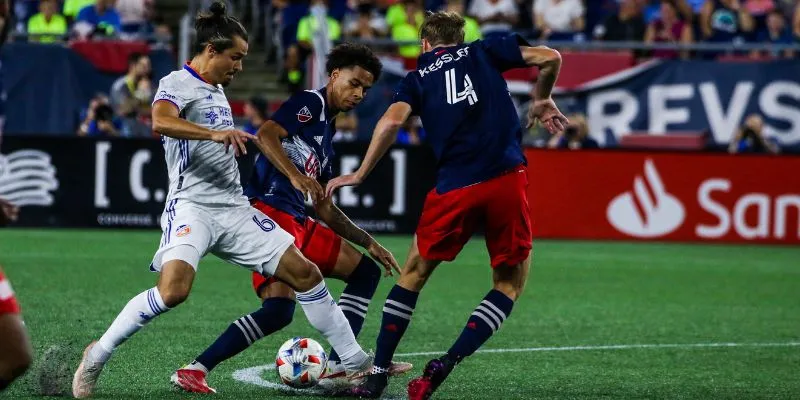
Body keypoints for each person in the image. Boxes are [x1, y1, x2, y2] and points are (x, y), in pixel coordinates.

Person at [71, 4, 372, 398]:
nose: (240, 66)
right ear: (211, 50)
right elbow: (160, 121)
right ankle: (97, 353)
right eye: (235, 57)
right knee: (173, 292)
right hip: (192, 206)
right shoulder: (177, 82)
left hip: (233, 208)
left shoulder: (217, 91)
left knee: (306, 274)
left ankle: (353, 363)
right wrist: (213, 134)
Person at [326, 11, 567, 400]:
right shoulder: (484, 50)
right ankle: (447, 362)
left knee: (412, 275)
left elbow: (390, 123)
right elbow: (550, 57)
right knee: (508, 284)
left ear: (424, 43)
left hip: (454, 187)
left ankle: (377, 377)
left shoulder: (417, 78)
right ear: (461, 38)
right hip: (505, 179)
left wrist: (360, 173)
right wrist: (541, 98)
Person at [170, 43, 411, 394]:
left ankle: (338, 367)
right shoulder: (310, 103)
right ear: (334, 75)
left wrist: (369, 241)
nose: (359, 93)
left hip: (298, 219)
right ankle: (197, 368)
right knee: (280, 308)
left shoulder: (327, 136)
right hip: (270, 213)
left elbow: (324, 207)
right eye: (354, 83)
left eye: (366, 89)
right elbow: (267, 134)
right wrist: (295, 176)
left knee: (357, 275)